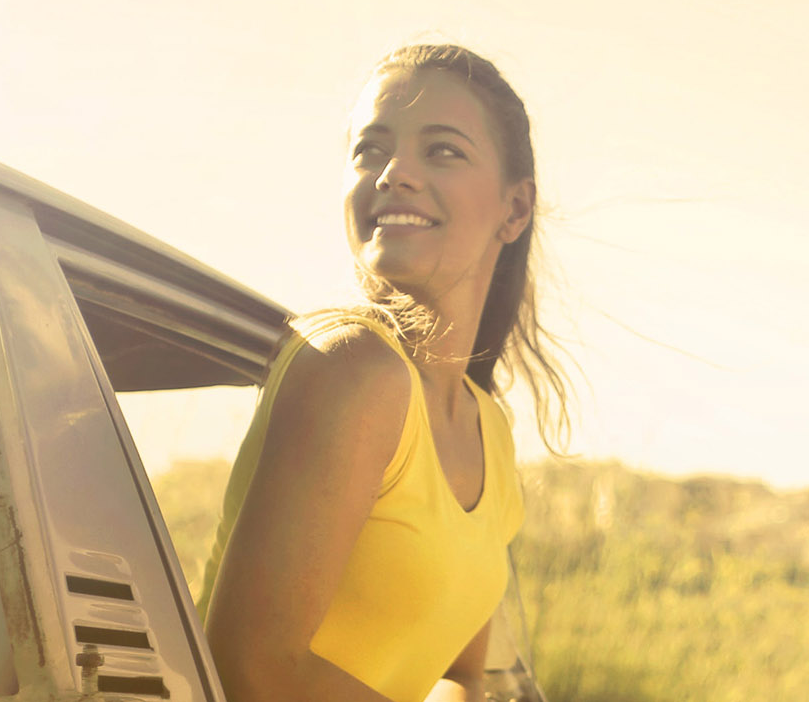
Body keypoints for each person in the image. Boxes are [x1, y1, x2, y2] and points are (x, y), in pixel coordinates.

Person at [196, 44, 570, 702]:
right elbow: (254, 669)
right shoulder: (351, 366)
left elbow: (456, 676)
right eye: (370, 149)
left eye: (443, 150)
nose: (394, 173)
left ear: (515, 210)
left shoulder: (491, 429)